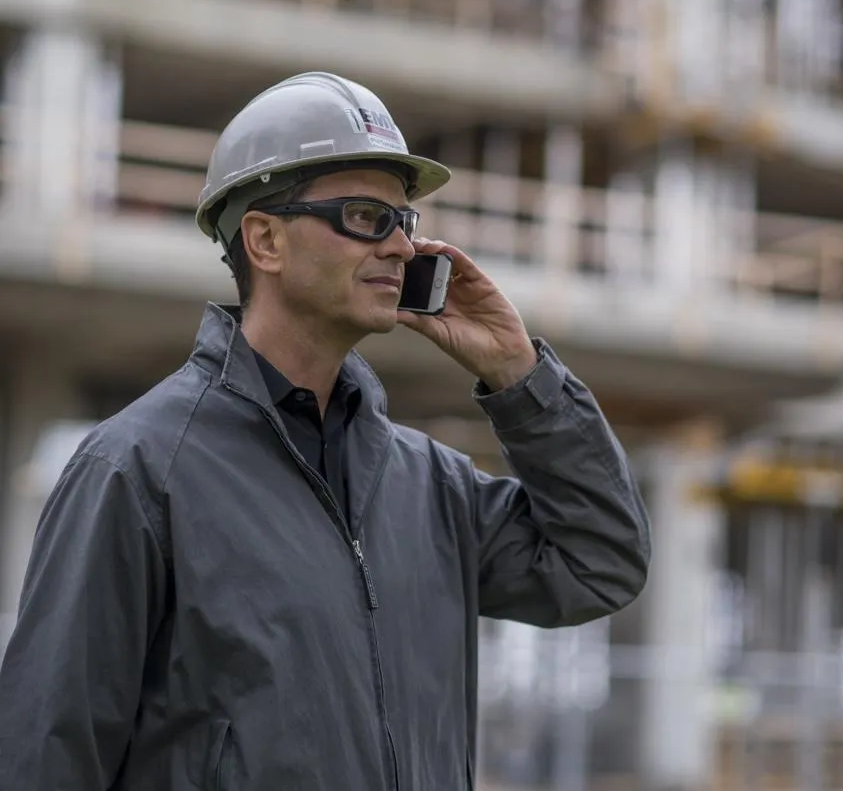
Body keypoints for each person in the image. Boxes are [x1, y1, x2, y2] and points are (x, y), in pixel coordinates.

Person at [0, 72, 650, 790]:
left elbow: (600, 562)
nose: (402, 249)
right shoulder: (139, 468)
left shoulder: (427, 484)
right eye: (367, 218)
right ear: (266, 240)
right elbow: (45, 756)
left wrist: (521, 376)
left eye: (405, 223)